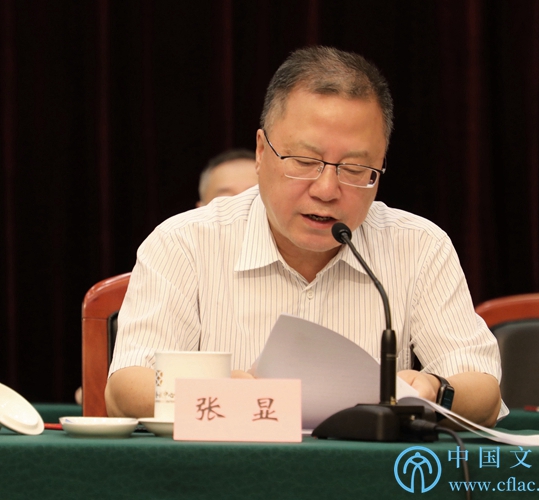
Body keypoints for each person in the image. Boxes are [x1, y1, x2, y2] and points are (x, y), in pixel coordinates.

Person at [106, 46, 505, 426]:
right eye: (304, 161)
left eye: (355, 169)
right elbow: (126, 388)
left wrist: (435, 389)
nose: (327, 190)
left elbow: (484, 393)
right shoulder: (184, 242)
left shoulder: (419, 246)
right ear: (261, 152)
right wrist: (223, 391)